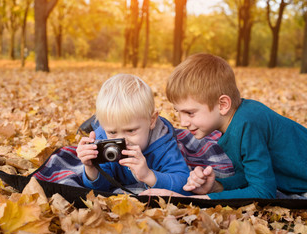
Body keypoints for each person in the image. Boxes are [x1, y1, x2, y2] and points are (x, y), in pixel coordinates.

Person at [164, 53, 307, 199]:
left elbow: (263, 191)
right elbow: (250, 175)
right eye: (178, 112)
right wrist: (217, 186)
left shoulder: (247, 123)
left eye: (190, 113)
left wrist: (203, 200)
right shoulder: (235, 121)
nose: (183, 122)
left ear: (223, 105)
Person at [76, 73, 192, 195]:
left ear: (151, 121)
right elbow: (101, 188)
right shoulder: (103, 140)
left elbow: (184, 183)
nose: (122, 141)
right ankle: (95, 122)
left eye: (131, 131)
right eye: (112, 132)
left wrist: (148, 175)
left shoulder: (164, 145)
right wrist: (91, 168)